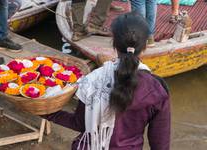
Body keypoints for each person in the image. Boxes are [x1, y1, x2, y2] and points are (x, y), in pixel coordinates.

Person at [42, 12, 170, 150]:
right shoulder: (157, 89)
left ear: (114, 43)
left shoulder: (93, 80)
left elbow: (79, 123)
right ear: (145, 45)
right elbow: (160, 143)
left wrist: (46, 111)